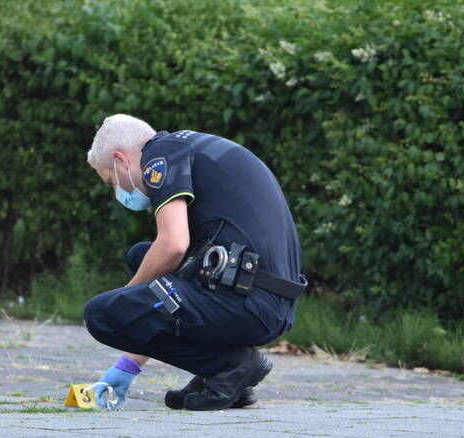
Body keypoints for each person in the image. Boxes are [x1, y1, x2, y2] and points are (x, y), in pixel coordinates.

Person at [83, 114, 306, 411]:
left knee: (101, 314)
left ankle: (233, 366)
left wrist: (123, 303)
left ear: (121, 159)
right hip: (265, 300)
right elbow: (168, 268)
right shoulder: (187, 148)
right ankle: (219, 374)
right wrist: (129, 365)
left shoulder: (159, 156)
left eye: (112, 182)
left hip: (253, 303)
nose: (118, 192)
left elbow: (173, 245)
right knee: (141, 257)